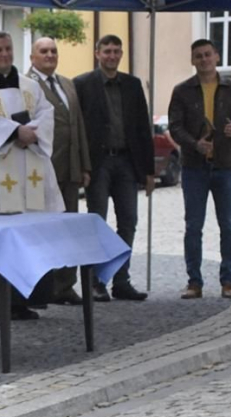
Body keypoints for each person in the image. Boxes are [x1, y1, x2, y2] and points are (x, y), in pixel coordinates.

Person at [0, 31, 64, 320]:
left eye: (8, 49)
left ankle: (23, 302)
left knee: (27, 237)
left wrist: (30, 133)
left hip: (29, 172)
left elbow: (47, 114)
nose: (5, 54)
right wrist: (13, 132)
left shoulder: (31, 85)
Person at [74, 34, 155, 302]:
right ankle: (95, 281)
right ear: (97, 53)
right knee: (96, 222)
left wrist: (149, 170)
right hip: (98, 163)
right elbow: (78, 130)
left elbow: (144, 128)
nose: (112, 56)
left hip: (126, 162)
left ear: (121, 55)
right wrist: (82, 165)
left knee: (128, 222)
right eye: (107, 51)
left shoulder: (132, 85)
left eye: (116, 51)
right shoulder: (82, 84)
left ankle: (121, 280)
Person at [27, 37, 92, 306]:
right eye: (44, 51)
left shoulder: (67, 83)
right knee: (42, 232)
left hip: (69, 170)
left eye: (53, 51)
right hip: (42, 171)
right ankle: (41, 288)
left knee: (68, 230)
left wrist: (84, 164)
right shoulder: (26, 86)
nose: (50, 55)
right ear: (32, 57)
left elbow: (78, 126)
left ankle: (65, 286)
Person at [168, 39, 231, 299]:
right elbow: (175, 126)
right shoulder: (182, 90)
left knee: (229, 225)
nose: (204, 59)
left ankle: (229, 280)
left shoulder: (230, 88)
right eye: (198, 56)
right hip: (195, 167)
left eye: (208, 54)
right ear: (192, 60)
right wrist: (195, 144)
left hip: (226, 165)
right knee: (193, 226)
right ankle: (194, 282)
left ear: (217, 56)